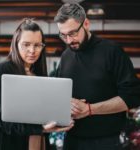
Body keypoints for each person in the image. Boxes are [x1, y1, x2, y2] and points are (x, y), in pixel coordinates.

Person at [54, 3, 140, 150]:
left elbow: (132, 97)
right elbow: (58, 94)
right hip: (71, 140)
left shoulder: (112, 51)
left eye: (73, 33)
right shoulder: (65, 56)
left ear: (86, 23)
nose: (68, 40)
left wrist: (89, 109)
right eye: (63, 35)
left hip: (108, 141)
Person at [0, 18, 73, 150]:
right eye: (26, 44)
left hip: (37, 143)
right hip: (8, 144)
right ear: (16, 44)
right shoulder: (2, 71)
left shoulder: (39, 74)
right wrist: (41, 129)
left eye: (37, 45)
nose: (32, 50)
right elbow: (5, 121)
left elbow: (43, 114)